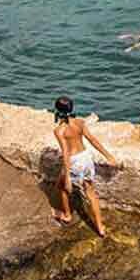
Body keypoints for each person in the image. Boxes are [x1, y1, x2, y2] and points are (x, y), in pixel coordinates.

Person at [52, 96, 116, 237]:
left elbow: (66, 152)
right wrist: (108, 155)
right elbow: (92, 140)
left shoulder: (59, 131)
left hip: (74, 161)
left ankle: (67, 215)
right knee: (91, 192)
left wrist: (68, 176)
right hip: (86, 158)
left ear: (56, 110)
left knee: (62, 187)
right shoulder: (80, 122)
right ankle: (100, 227)